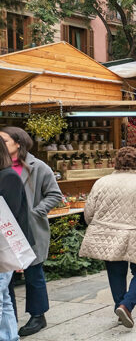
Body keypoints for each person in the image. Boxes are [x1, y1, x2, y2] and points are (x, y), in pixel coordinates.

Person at [79, 147, 136, 329]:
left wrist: (98, 227)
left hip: (109, 234)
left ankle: (121, 306)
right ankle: (126, 306)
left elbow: (88, 213)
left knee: (115, 272)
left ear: (115, 162)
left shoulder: (101, 183)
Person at [0, 127, 62, 336]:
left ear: (18, 143)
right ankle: (10, 319)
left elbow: (55, 194)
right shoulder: (2, 168)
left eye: (4, 140)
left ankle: (38, 315)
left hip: (32, 229)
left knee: (33, 273)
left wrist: (35, 212)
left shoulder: (39, 167)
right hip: (6, 228)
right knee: (6, 277)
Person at [0, 139, 34, 341]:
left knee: (3, 297)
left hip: (3, 248)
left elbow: (12, 216)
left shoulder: (8, 176)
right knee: (4, 298)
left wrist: (19, 254)